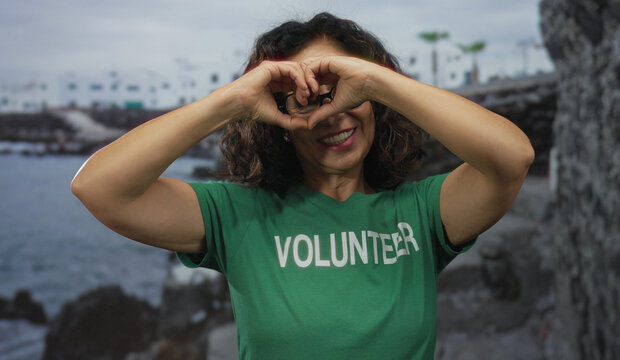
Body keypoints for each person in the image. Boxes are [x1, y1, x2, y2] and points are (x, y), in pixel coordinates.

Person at [71, 12, 534, 360]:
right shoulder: (238, 215)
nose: (332, 114)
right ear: (277, 115)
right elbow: (100, 187)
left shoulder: (421, 213)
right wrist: (231, 100)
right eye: (309, 98)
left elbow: (512, 157)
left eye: (342, 88)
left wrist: (374, 78)